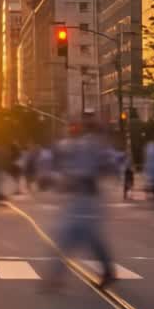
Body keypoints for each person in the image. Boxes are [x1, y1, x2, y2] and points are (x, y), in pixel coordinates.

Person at [43, 117, 116, 290]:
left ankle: (55, 277)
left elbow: (97, 168)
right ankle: (106, 271)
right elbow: (107, 167)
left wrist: (60, 179)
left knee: (71, 235)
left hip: (86, 199)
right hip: (81, 197)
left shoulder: (88, 146)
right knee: (84, 236)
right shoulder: (88, 146)